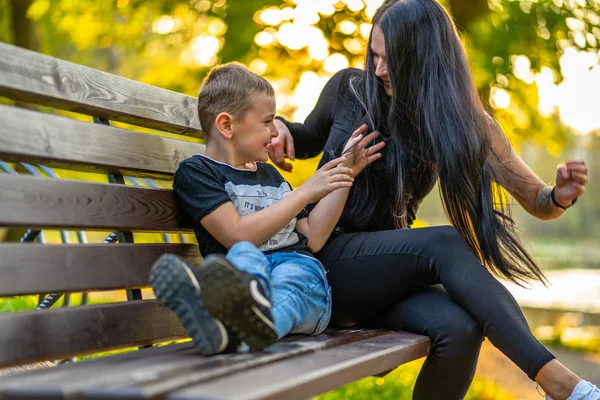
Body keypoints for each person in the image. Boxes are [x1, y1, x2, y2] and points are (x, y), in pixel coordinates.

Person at [269, 1, 596, 399]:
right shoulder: (350, 88)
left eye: (392, 60)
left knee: (460, 328)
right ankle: (559, 383)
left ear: (425, 60)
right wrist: (283, 129)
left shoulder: (461, 124)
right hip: (320, 266)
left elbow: (538, 201)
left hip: (381, 280)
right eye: (374, 55)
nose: (378, 70)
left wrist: (559, 196)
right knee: (443, 242)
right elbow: (306, 136)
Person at [149, 63, 385, 355]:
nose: (275, 131)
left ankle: (235, 322)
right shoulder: (197, 173)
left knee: (294, 278)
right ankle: (239, 318)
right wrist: (304, 193)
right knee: (244, 255)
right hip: (240, 272)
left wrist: (344, 176)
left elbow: (312, 237)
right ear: (227, 125)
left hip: (298, 276)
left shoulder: (270, 175)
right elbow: (237, 235)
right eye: (266, 122)